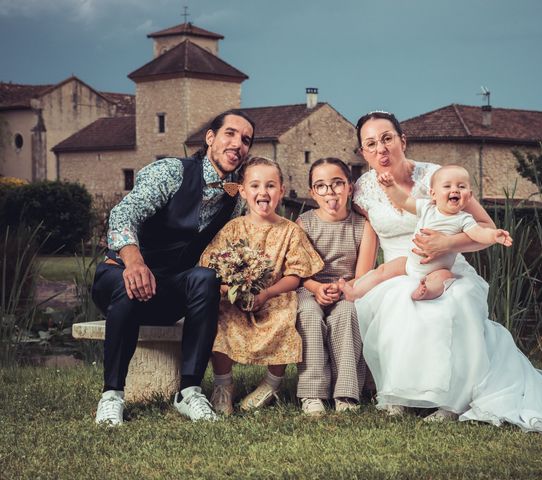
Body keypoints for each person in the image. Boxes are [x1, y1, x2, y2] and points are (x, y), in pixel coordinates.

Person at [351, 110, 542, 433]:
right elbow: (371, 239)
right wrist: (359, 284)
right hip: (397, 269)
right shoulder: (362, 189)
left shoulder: (439, 178)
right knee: (395, 299)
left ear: (403, 140)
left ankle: (453, 400)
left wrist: (446, 243)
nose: (381, 149)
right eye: (371, 143)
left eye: (387, 138)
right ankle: (400, 394)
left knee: (453, 302)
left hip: (448, 267)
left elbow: (485, 229)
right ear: (363, 152)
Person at [91, 109, 255, 426]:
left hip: (169, 288)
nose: (237, 144)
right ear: (211, 138)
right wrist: (134, 262)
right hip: (119, 273)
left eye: (245, 140)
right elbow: (124, 214)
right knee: (129, 287)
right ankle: (112, 396)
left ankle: (190, 391)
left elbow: (228, 246)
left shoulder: (233, 196)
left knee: (205, 279)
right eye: (230, 134)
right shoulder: (172, 171)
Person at [200, 157, 324, 415]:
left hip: (274, 295)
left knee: (284, 316)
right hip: (234, 299)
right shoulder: (233, 229)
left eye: (270, 186)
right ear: (243, 191)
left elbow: (296, 275)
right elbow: (212, 266)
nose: (262, 192)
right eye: (255, 186)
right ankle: (223, 385)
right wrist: (229, 291)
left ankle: (271, 383)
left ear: (280, 190)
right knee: (220, 316)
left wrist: (268, 292)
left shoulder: (290, 231)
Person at [341, 164, 512, 302]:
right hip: (410, 263)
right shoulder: (427, 207)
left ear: (469, 196)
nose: (455, 190)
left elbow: (478, 234)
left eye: (461, 186)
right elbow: (404, 201)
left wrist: (493, 235)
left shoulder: (464, 219)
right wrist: (391, 187)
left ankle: (426, 292)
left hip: (436, 269)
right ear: (433, 194)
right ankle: (356, 293)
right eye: (447, 186)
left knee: (444, 277)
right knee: (383, 270)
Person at [295, 158, 377, 416]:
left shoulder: (363, 226)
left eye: (337, 184)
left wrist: (342, 289)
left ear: (350, 188)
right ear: (312, 193)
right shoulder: (303, 224)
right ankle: (312, 393)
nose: (330, 192)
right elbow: (298, 272)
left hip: (350, 287)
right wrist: (316, 288)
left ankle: (346, 392)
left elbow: (363, 274)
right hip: (310, 287)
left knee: (347, 314)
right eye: (321, 186)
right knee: (307, 314)